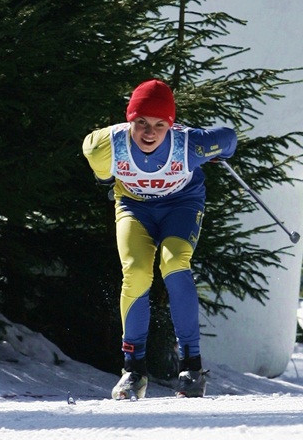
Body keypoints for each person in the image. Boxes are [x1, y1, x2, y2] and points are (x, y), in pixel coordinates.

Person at [82, 78, 237, 399]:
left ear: (171, 124)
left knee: (174, 261)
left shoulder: (189, 145)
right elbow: (97, 164)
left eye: (159, 125)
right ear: (129, 121)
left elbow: (228, 138)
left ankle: (191, 366)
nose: (149, 133)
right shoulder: (105, 146)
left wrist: (220, 154)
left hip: (181, 205)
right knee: (137, 271)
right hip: (134, 208)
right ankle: (132, 369)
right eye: (140, 123)